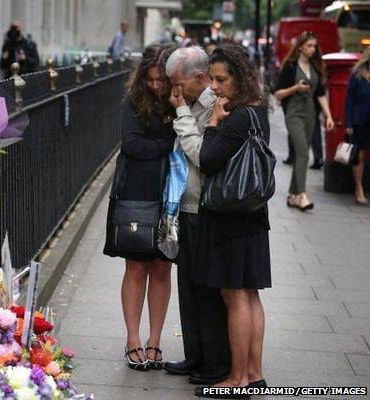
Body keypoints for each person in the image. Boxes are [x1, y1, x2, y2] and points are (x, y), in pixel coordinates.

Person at [192, 44, 272, 398]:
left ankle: (237, 378)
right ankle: (254, 372)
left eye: (221, 79)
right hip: (252, 213)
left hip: (228, 215)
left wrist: (212, 123)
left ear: (238, 78)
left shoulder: (235, 117)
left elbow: (207, 160)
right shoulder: (259, 110)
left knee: (235, 295)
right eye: (212, 78)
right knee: (250, 294)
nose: (215, 87)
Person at [103, 43, 176, 371]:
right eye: (151, 79)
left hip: (171, 192)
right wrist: (168, 144)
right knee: (136, 266)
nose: (157, 85)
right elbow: (130, 144)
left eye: (162, 79)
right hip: (137, 189)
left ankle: (155, 341)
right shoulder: (135, 99)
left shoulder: (181, 98)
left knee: (163, 266)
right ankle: (133, 339)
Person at [163, 46, 231, 385]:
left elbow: (199, 153)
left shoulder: (212, 106)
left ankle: (216, 361)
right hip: (184, 205)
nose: (175, 91)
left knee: (206, 289)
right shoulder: (189, 103)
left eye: (179, 83)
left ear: (200, 78)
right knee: (188, 286)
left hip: (204, 206)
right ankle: (196, 355)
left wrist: (181, 113)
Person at [274, 31, 334, 211]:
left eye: (314, 46)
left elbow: (321, 94)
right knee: (303, 154)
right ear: (300, 47)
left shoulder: (316, 67)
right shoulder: (290, 67)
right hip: (293, 114)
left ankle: (292, 196)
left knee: (302, 155)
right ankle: (301, 195)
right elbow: (277, 93)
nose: (312, 49)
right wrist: (296, 87)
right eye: (309, 46)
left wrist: (329, 115)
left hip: (310, 114)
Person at [345, 46, 370, 205]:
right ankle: (359, 187)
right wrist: (348, 123)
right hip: (360, 120)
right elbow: (349, 101)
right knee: (359, 155)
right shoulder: (357, 75)